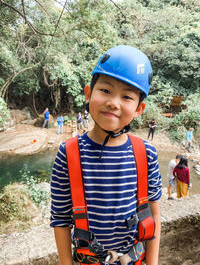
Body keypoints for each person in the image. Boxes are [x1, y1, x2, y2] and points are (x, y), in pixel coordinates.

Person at [50, 45, 162, 265]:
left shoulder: (146, 154)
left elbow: (153, 214)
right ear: (89, 93)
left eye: (127, 96)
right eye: (106, 91)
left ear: (139, 109)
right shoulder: (69, 154)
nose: (113, 102)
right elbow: (61, 219)